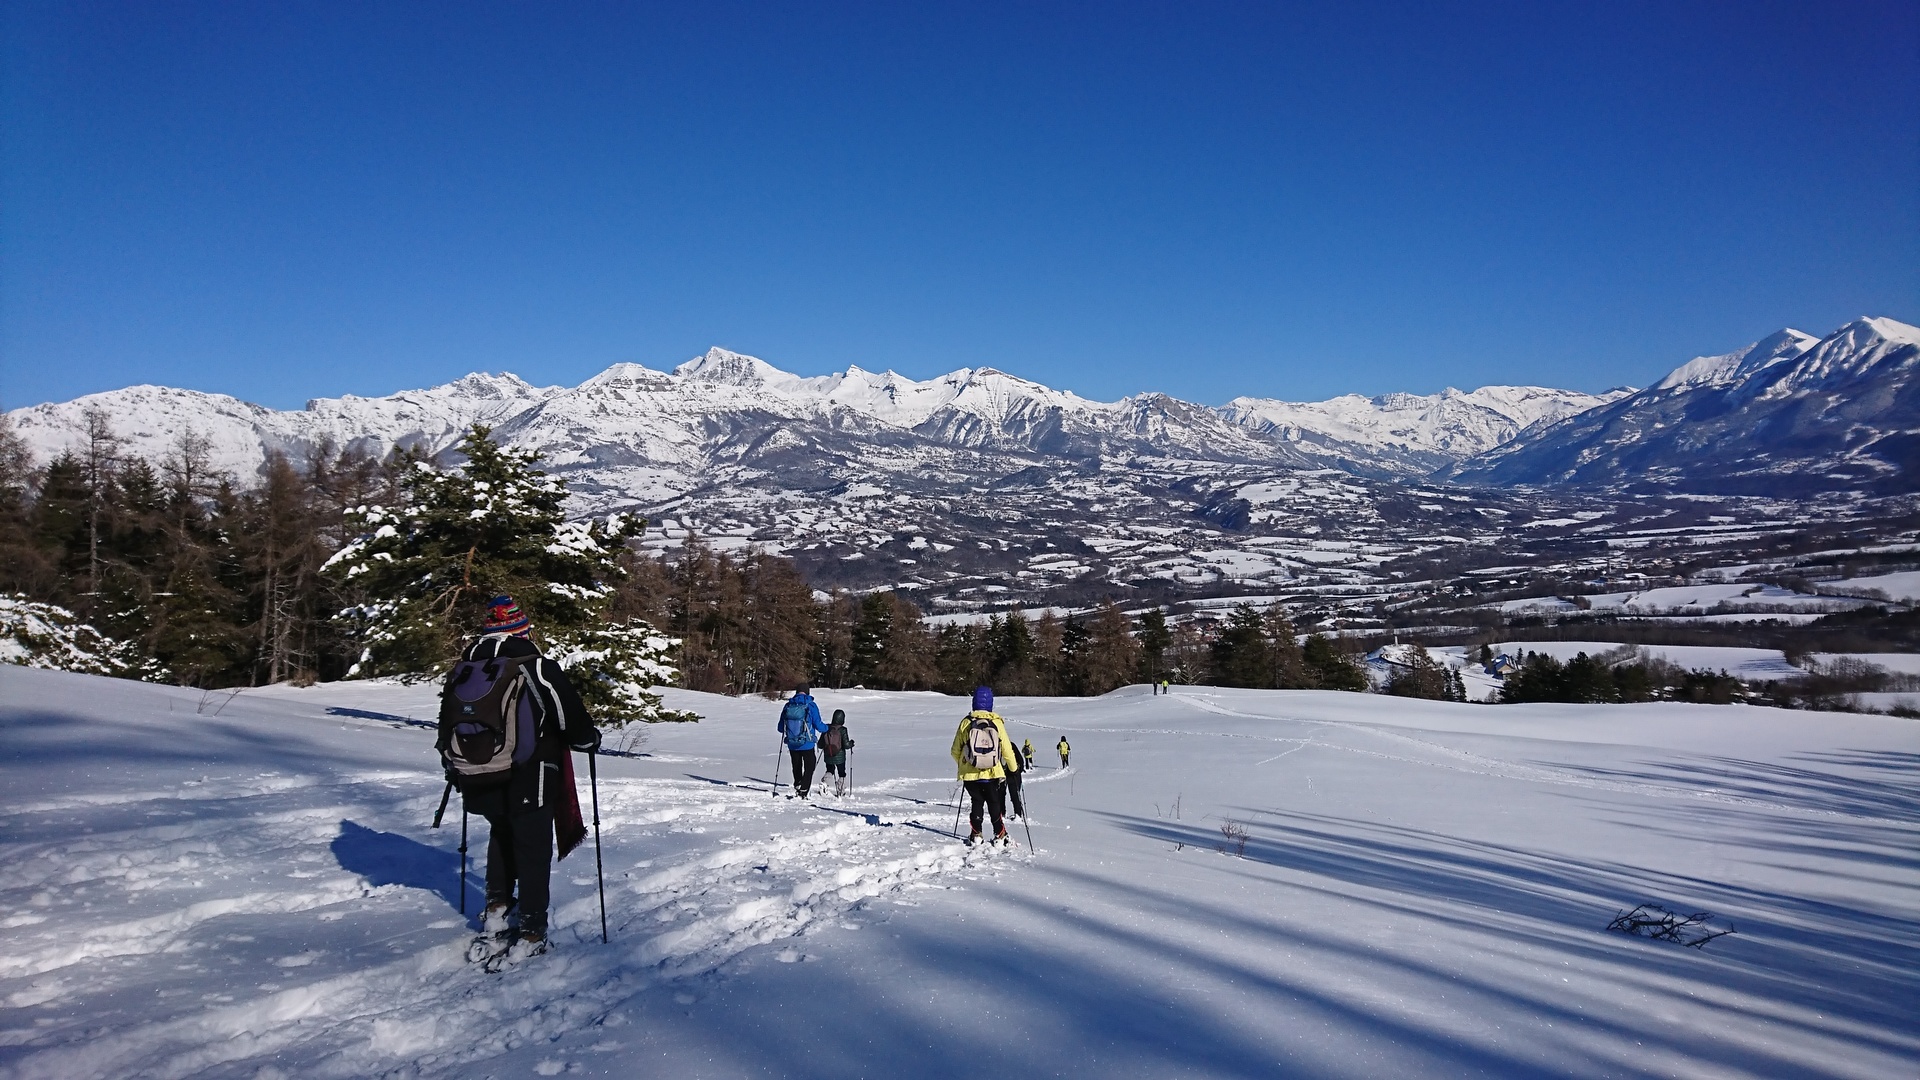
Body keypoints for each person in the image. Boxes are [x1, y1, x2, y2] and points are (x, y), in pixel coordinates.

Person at [437, 596, 599, 960]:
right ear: (521, 629)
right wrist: (589, 740)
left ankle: (496, 913)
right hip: (531, 773)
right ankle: (530, 932)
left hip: (479, 772)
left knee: (501, 835)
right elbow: (569, 717)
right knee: (532, 848)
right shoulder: (535, 665)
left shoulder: (467, 665)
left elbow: (446, 722)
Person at [950, 686, 1020, 846]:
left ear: (974, 702)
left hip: (970, 775)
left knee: (977, 802)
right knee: (994, 802)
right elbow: (1007, 749)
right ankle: (1000, 834)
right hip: (992, 772)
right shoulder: (996, 722)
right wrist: (1013, 769)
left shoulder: (966, 723)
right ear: (991, 704)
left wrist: (964, 764)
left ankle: (976, 834)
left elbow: (955, 750)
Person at [778, 685, 828, 799]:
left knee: (796, 765)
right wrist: (827, 728)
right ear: (807, 692)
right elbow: (818, 725)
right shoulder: (811, 705)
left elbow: (781, 727)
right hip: (807, 743)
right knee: (810, 766)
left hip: (792, 743)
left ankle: (798, 784)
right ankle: (804, 790)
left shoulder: (788, 705)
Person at [820, 708, 855, 796]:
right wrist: (851, 743)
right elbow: (846, 745)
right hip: (840, 756)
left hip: (828, 755)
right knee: (842, 773)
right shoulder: (843, 730)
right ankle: (841, 790)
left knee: (829, 770)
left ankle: (824, 784)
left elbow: (820, 744)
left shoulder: (827, 728)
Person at [1004, 728, 1027, 821]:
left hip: (1003, 774)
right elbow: (1020, 760)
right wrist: (1019, 770)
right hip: (1014, 775)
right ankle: (1018, 814)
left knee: (1001, 795)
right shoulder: (1012, 746)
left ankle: (1002, 813)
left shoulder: (998, 747)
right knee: (1015, 795)